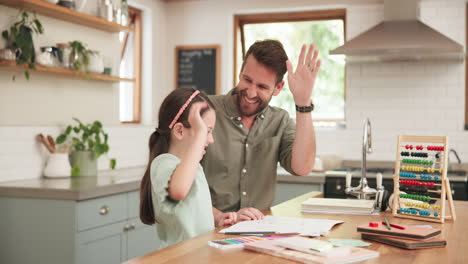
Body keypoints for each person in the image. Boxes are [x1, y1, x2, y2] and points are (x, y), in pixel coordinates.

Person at [201, 40, 320, 221]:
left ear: (278, 88)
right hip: (207, 230)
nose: (250, 93)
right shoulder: (205, 110)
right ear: (240, 73)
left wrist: (303, 103)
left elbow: (302, 168)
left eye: (262, 87)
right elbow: (181, 182)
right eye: (247, 80)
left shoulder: (279, 120)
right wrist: (220, 217)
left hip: (258, 233)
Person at [139, 88, 237, 249]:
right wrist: (200, 136)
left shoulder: (193, 166)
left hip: (201, 253)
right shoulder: (163, 163)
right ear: (179, 130)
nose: (210, 140)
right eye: (206, 131)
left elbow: (192, 205)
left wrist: (217, 217)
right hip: (179, 258)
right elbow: (178, 192)